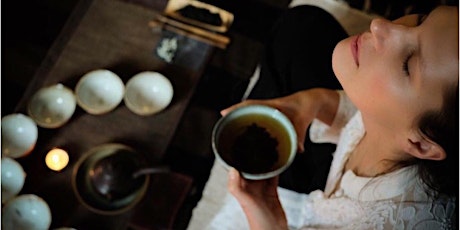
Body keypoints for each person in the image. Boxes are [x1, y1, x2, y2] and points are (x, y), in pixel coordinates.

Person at [215, 4, 458, 230]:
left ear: (421, 144)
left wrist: (268, 218)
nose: (380, 25)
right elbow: (361, 117)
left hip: (318, 205)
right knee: (304, 24)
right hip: (336, 176)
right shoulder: (397, 125)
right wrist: (311, 102)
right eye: (420, 20)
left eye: (408, 64)